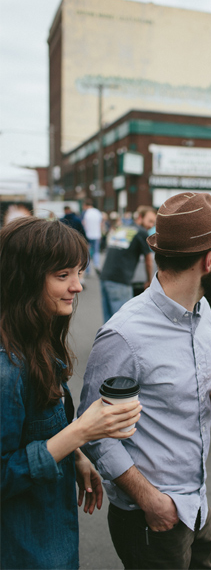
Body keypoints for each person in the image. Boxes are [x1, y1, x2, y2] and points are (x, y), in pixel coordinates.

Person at [78, 193, 211, 569]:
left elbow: (180, 384)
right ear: (209, 260)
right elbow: (92, 431)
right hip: (151, 514)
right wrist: (150, 500)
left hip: (197, 502)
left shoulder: (202, 310)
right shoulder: (125, 334)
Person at [1, 217, 141, 569]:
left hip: (48, 533)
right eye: (62, 275)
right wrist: (80, 432)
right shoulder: (7, 366)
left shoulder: (34, 337)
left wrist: (74, 455)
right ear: (23, 278)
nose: (77, 286)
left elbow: (37, 430)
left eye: (78, 272)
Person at [100, 205, 156, 322]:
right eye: (150, 221)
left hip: (105, 276)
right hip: (120, 280)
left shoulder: (122, 227)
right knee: (122, 322)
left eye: (153, 223)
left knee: (108, 322)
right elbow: (148, 261)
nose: (151, 225)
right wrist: (149, 281)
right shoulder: (142, 232)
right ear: (140, 217)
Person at [82, 198, 104, 275]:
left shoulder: (85, 213)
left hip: (88, 235)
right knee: (96, 251)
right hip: (97, 235)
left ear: (86, 205)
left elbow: (83, 223)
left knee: (87, 252)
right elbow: (101, 224)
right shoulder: (97, 212)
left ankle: (87, 269)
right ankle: (97, 264)